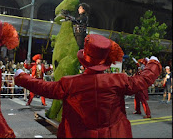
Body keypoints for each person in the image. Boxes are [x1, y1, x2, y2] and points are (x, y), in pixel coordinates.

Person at [14, 34, 162, 138]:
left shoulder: (69, 83)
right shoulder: (118, 80)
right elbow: (142, 80)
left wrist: (22, 77)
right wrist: (153, 64)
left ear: (84, 59)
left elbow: (44, 87)